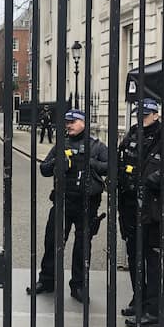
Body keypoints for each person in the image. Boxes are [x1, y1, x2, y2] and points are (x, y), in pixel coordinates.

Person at [117, 98, 164, 327]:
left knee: (151, 260)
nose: (141, 119)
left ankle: (154, 311)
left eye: (145, 115)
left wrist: (159, 177)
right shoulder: (132, 135)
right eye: (138, 115)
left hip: (154, 209)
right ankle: (139, 300)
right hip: (130, 206)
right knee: (133, 256)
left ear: (156, 115)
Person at [26, 109, 108, 303]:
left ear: (84, 123)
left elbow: (111, 167)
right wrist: (58, 162)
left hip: (87, 204)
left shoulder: (96, 146)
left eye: (72, 122)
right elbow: (44, 169)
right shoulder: (61, 145)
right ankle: (47, 280)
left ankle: (78, 286)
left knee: (82, 246)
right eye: (66, 122)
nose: (68, 125)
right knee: (53, 242)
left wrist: (91, 163)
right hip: (63, 201)